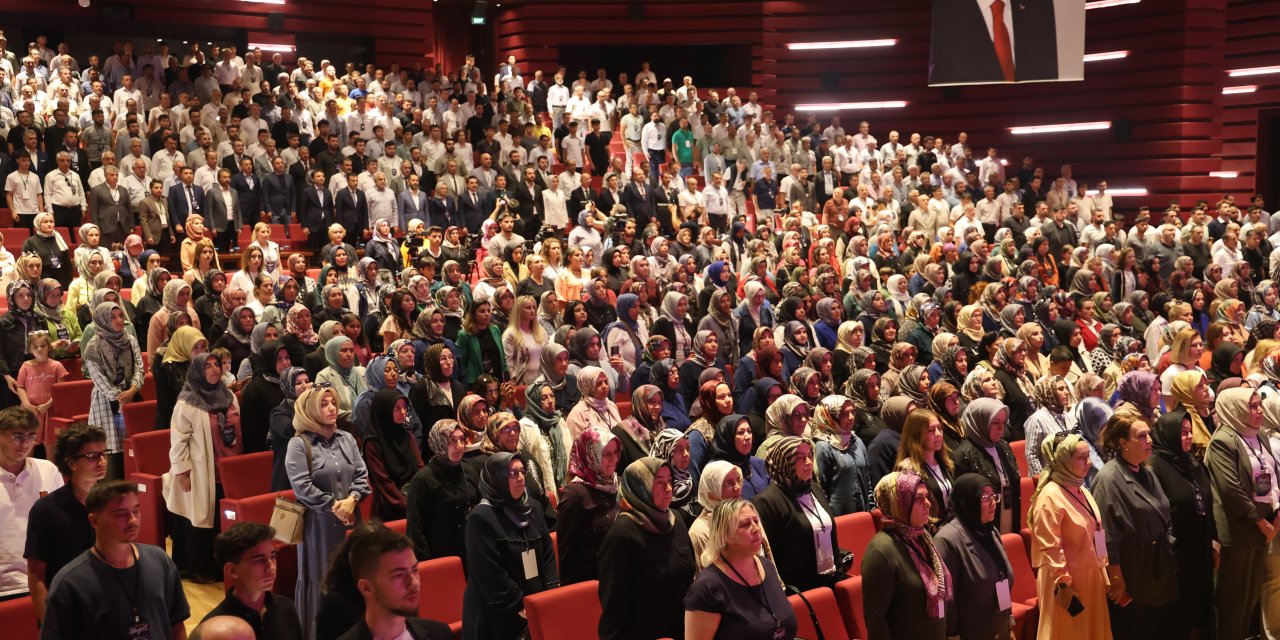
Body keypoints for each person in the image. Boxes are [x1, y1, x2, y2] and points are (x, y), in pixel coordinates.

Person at [40, 480, 190, 640]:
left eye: (136, 511)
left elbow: (176, 624)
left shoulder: (160, 561)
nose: (133, 520)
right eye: (121, 514)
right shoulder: (70, 583)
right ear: (94, 521)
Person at [287, 385, 371, 640]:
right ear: (310, 410)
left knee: (353, 576)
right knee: (322, 579)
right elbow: (302, 486)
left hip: (351, 520)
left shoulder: (346, 438)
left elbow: (361, 475)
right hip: (319, 527)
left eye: (333, 403)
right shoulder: (299, 444)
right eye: (324, 404)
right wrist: (337, 507)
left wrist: (353, 500)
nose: (332, 408)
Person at [1090, 413, 1178, 639]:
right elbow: (1106, 534)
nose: (1149, 440)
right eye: (1141, 436)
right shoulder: (1108, 478)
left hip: (1156, 568)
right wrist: (1116, 578)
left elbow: (1164, 512)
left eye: (1148, 434)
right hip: (1131, 574)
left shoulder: (1146, 471)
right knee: (1131, 630)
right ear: (1122, 443)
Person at [164, 351, 243, 582]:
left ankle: (224, 568)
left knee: (222, 521)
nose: (214, 369)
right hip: (201, 470)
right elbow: (177, 441)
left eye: (216, 364)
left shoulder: (229, 396)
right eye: (208, 366)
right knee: (203, 520)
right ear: (198, 371)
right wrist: (183, 473)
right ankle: (202, 569)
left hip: (229, 468)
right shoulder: (187, 402)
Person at [461, 453, 558, 640]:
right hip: (496, 611)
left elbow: (547, 555)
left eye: (522, 471)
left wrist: (550, 594)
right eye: (513, 473)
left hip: (533, 602)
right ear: (496, 478)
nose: (521, 478)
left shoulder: (534, 508)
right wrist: (519, 605)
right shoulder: (481, 518)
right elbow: (489, 571)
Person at [598, 457, 696, 640]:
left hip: (683, 629)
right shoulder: (622, 534)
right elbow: (614, 607)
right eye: (659, 483)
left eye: (669, 481)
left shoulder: (676, 520)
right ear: (640, 487)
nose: (668, 489)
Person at [1205, 387, 1275, 640]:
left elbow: (1271, 474)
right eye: (1253, 406)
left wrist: (1275, 511)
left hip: (1262, 526)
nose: (1260, 411)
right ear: (1235, 409)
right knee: (1233, 599)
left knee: (1251, 596)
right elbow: (1230, 488)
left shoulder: (1259, 436)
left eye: (1259, 405)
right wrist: (1259, 521)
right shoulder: (1223, 440)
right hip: (1238, 529)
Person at [1028, 432, 1112, 638]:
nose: (1088, 463)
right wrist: (1064, 584)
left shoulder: (1080, 488)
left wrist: (1103, 570)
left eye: (1088, 456)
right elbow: (1050, 547)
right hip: (1066, 582)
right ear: (1063, 460)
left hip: (1090, 576)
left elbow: (1096, 532)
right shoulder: (1050, 497)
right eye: (1081, 458)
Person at [25, 423, 106, 623]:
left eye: (104, 454)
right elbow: (36, 575)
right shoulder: (45, 510)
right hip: (65, 612)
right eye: (92, 456)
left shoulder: (111, 504)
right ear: (71, 463)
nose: (102, 461)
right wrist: (47, 624)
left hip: (107, 606)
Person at [683, 498, 797, 639]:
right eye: (745, 524)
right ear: (723, 535)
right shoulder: (706, 589)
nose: (756, 529)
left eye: (756, 521)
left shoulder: (766, 566)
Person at [1148, 408, 1216, 639]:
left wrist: (1213, 540)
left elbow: (1207, 499)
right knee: (1179, 612)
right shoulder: (1154, 466)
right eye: (1182, 432)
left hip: (1200, 545)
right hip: (1176, 552)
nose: (1189, 437)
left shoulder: (1191, 461)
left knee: (1201, 604)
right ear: (1168, 434)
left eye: (1190, 431)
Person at [861, 470, 952, 639]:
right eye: (918, 499)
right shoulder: (880, 552)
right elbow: (876, 620)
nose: (928, 504)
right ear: (899, 503)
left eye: (926, 497)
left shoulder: (922, 536)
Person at [752, 435, 843, 590]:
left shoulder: (814, 489)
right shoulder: (767, 501)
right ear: (784, 463)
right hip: (799, 589)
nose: (808, 463)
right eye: (800, 458)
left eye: (810, 456)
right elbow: (770, 555)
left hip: (830, 580)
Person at [336, 523, 452, 640]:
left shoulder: (440, 634)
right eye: (399, 575)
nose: (414, 583)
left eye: (415, 569)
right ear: (366, 587)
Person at [935, 473, 1016, 640]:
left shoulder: (990, 531)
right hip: (970, 633)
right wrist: (952, 635)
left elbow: (1002, 579)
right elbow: (946, 600)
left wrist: (1008, 621)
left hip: (999, 630)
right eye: (985, 497)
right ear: (968, 501)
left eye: (994, 495)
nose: (993, 502)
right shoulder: (947, 540)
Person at [0, 407, 60, 605]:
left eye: (31, 436)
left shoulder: (47, 469)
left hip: (45, 581)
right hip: (5, 587)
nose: (25, 443)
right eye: (17, 436)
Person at [204, 522, 304, 640]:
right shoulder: (214, 630)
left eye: (272, 556)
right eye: (259, 560)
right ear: (232, 570)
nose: (271, 567)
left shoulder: (285, 607)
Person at [83, 300, 145, 479]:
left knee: (131, 447)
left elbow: (139, 368)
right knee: (109, 450)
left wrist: (133, 389)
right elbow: (98, 378)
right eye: (113, 317)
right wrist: (119, 396)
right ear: (103, 320)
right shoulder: (94, 346)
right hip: (105, 401)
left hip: (131, 397)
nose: (119, 320)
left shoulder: (130, 339)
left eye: (120, 316)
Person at [405, 421, 481, 562]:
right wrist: (429, 566)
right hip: (440, 557)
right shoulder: (423, 480)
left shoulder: (469, 470)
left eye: (462, 439)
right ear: (438, 442)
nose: (459, 446)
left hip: (471, 552)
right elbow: (415, 529)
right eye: (451, 440)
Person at [556, 427, 621, 584]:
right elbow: (567, 556)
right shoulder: (574, 495)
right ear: (591, 456)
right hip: (591, 584)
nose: (614, 459)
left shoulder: (618, 483)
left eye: (616, 453)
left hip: (618, 577)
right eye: (606, 454)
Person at [952, 398, 1022, 534]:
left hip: (1010, 518)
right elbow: (964, 504)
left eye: (1003, 422)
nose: (1001, 428)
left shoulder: (1003, 446)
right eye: (995, 423)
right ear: (980, 422)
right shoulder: (963, 455)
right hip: (981, 531)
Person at [363, 390, 424, 521]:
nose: (403, 412)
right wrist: (406, 504)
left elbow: (420, 467)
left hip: (413, 499)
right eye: (396, 408)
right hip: (389, 507)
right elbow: (383, 482)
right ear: (384, 410)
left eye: (404, 407)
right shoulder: (373, 442)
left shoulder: (406, 435)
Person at [811, 394, 874, 516]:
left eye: (852, 412)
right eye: (844, 414)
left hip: (863, 514)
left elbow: (867, 480)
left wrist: (872, 508)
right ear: (829, 417)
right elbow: (821, 489)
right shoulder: (823, 447)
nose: (851, 417)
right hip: (839, 518)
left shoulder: (856, 441)